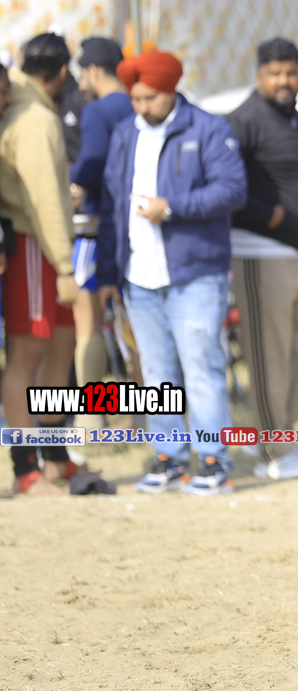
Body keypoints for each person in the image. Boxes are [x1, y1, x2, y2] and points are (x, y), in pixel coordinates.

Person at [98, 50, 247, 494]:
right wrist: (109, 273)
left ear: (171, 90)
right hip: (138, 276)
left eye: (150, 98)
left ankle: (213, 460)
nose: (142, 107)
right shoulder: (125, 133)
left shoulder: (208, 128)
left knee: (201, 366)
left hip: (195, 273)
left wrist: (172, 208)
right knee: (157, 372)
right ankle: (169, 458)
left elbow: (232, 190)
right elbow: (111, 205)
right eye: (136, 98)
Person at [225, 38, 298, 481]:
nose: (284, 80)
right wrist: (271, 215)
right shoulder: (243, 121)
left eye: (290, 72)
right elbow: (226, 185)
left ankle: (272, 433)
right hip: (259, 255)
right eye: (275, 73)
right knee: (269, 357)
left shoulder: (292, 117)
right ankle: (274, 451)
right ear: (259, 76)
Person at [0, 35, 82, 495]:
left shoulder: (27, 109)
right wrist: (66, 266)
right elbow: (44, 199)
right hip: (36, 247)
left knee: (61, 349)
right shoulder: (33, 119)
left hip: (46, 247)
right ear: (63, 72)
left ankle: (54, 457)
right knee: (26, 357)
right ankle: (26, 467)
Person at [70, 37, 135, 426]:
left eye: (83, 74)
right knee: (137, 327)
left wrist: (73, 178)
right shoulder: (138, 103)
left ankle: (91, 418)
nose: (80, 84)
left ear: (94, 71)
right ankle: (144, 419)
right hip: (137, 227)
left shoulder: (98, 110)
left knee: (89, 325)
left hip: (98, 227)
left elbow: (92, 162)